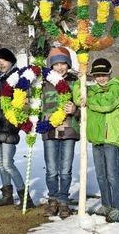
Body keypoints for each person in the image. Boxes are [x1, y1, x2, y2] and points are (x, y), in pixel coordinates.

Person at [75, 58, 119, 223]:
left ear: (109, 73)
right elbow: (77, 99)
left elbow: (107, 104)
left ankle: (118, 207)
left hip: (111, 137)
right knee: (101, 175)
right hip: (96, 138)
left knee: (112, 174)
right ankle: (106, 204)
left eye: (104, 74)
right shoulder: (91, 89)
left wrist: (88, 101)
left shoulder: (116, 87)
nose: (101, 78)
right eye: (97, 75)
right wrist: (79, 80)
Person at [0, 48, 34, 208]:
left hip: (9, 125)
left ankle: (25, 196)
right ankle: (7, 195)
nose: (1, 64)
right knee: (0, 163)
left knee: (7, 163)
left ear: (11, 61)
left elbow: (1, 88)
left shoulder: (17, 76)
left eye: (3, 61)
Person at [41, 46, 79, 219]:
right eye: (56, 65)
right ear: (51, 66)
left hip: (68, 130)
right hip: (49, 130)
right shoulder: (43, 83)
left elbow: (83, 105)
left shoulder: (75, 82)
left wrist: (75, 110)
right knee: (51, 170)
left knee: (65, 169)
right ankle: (53, 200)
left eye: (63, 63)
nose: (60, 67)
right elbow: (34, 104)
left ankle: (63, 201)